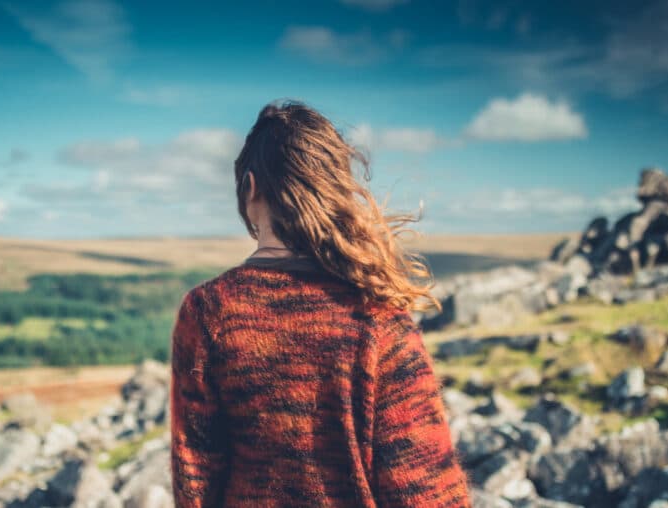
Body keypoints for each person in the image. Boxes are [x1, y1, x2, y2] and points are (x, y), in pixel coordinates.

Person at [170, 99, 471, 507]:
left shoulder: (208, 312)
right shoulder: (380, 319)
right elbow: (427, 492)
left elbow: (195, 481)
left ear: (250, 186)